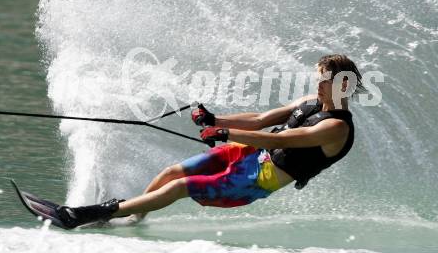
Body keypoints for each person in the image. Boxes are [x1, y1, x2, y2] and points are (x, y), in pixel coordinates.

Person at [55, 54, 364, 229]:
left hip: (260, 178)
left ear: (344, 84)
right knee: (172, 173)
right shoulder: (311, 101)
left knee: (178, 188)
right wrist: (215, 120)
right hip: (249, 154)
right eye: (319, 78)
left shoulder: (336, 128)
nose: (318, 84)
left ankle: (92, 213)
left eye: (325, 80)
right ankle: (134, 217)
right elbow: (259, 120)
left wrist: (225, 134)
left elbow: (292, 139)